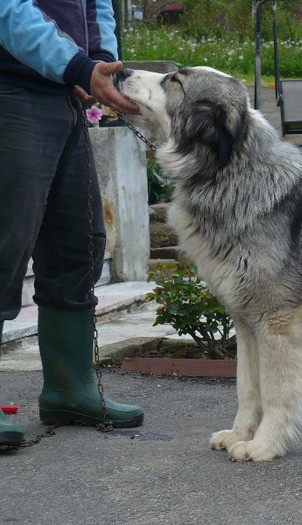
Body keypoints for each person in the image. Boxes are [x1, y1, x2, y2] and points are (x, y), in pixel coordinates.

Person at [0, 0, 144, 447]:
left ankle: (68, 388)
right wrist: (76, 64)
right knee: (5, 244)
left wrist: (98, 63)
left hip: (63, 94)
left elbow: (96, 5)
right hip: (10, 90)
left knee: (78, 241)